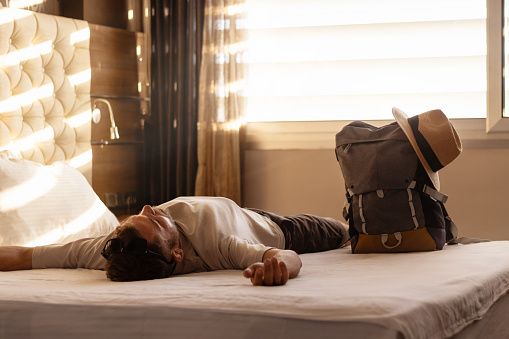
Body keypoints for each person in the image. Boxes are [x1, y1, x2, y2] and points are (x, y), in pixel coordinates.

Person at [0, 196, 349, 286]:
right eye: (156, 219)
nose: (153, 207)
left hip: (246, 212)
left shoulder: (108, 247)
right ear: (177, 253)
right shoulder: (218, 243)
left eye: (144, 212)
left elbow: (24, 255)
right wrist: (277, 268)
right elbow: (286, 254)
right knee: (344, 233)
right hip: (275, 227)